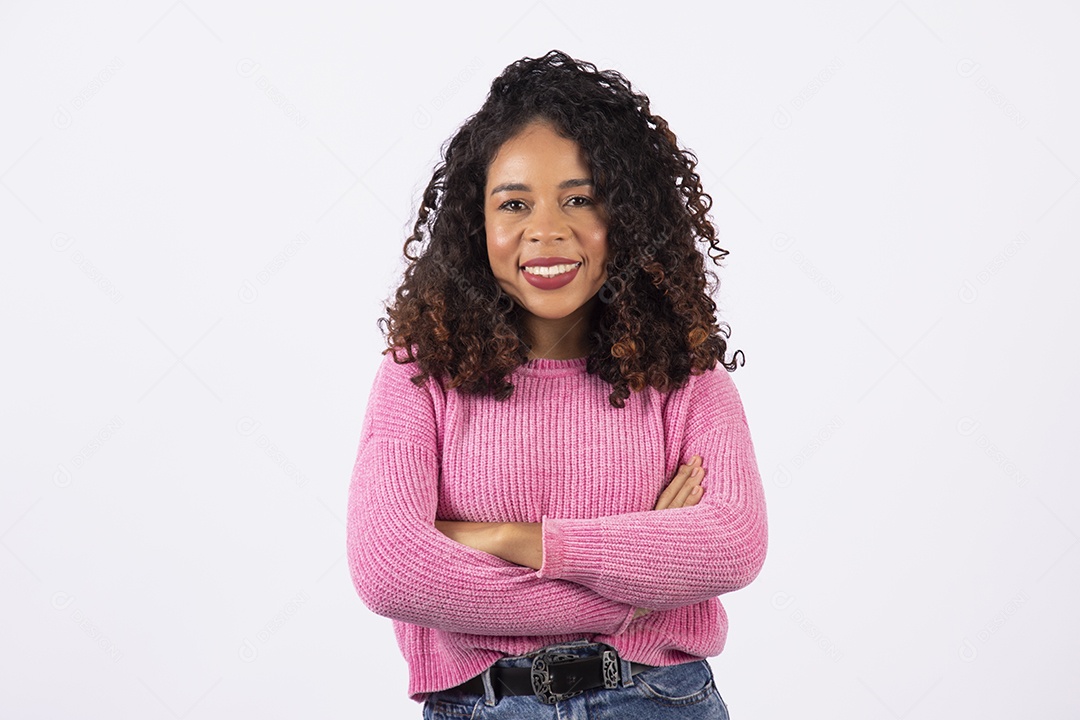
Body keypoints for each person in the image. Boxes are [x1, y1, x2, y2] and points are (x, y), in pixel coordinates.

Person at [346, 49, 768, 718]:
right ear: (476, 224)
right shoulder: (419, 375)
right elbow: (392, 567)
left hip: (657, 701)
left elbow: (733, 544)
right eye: (514, 203)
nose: (545, 232)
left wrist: (511, 538)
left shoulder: (685, 377)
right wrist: (637, 577)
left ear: (625, 218)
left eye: (580, 198)